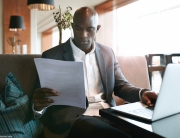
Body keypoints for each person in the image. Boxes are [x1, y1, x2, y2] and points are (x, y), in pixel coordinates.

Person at [33, 7, 158, 138]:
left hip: (109, 114)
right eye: (78, 28)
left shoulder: (108, 53)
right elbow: (39, 99)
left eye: (89, 29)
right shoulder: (52, 55)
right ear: (72, 26)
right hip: (74, 119)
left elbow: (121, 86)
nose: (83, 35)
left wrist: (142, 93)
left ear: (97, 29)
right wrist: (37, 106)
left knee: (148, 132)